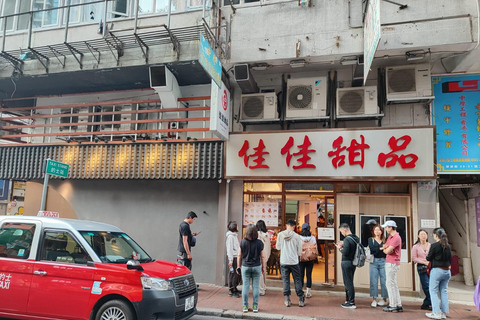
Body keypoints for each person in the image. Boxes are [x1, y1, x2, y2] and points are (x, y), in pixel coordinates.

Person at [276, 219, 305, 307]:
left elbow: (278, 247)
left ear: (286, 225)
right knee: (297, 279)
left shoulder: (280, 235)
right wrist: (298, 254)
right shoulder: (296, 236)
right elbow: (299, 250)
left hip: (284, 260)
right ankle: (300, 298)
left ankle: (287, 299)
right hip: (294, 261)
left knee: (286, 280)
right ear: (294, 226)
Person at [237, 224, 265, 313]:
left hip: (245, 266)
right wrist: (263, 266)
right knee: (255, 287)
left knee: (245, 286)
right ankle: (255, 306)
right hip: (256, 266)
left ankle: (245, 306)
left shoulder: (242, 242)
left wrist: (238, 266)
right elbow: (263, 257)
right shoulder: (259, 243)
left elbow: (239, 255)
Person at [425, 228, 452, 320]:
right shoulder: (447, 246)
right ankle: (443, 312)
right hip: (447, 271)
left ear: (435, 235)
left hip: (437, 270)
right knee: (443, 291)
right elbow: (450, 259)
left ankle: (436, 312)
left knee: (433, 291)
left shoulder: (434, 245)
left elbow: (428, 258)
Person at [336, 223, 360, 309]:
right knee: (349, 281)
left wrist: (339, 248)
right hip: (353, 262)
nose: (341, 233)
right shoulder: (355, 238)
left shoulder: (347, 239)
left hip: (346, 262)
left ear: (345, 229)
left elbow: (345, 252)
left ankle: (351, 301)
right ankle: (348, 299)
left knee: (348, 282)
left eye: (341, 231)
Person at [381, 220, 403, 313]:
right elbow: (385, 246)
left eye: (386, 227)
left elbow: (387, 250)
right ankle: (398, 304)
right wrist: (385, 248)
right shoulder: (390, 237)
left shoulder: (395, 237)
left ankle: (393, 305)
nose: (385, 229)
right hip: (391, 262)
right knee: (393, 284)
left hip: (392, 262)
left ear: (391, 227)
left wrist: (385, 249)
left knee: (390, 284)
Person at [368, 224, 388, 307]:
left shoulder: (385, 240)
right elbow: (372, 250)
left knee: (384, 281)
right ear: (373, 231)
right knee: (373, 280)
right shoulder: (371, 240)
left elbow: (387, 250)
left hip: (384, 261)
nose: (377, 231)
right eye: (375, 230)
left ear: (382, 231)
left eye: (379, 230)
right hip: (374, 261)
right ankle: (374, 299)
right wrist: (381, 248)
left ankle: (384, 299)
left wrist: (381, 248)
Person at [412, 229, 432, 310]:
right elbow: (414, 258)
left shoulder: (430, 245)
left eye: (425, 234)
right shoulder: (416, 246)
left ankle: (426, 303)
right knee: (426, 285)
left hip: (431, 267)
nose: (423, 236)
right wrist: (423, 262)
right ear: (418, 236)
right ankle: (432, 302)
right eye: (422, 234)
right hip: (422, 267)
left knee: (431, 286)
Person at [299, 223, 316, 299]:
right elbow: (315, 248)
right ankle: (308, 292)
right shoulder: (312, 238)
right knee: (309, 275)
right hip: (310, 258)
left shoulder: (299, 237)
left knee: (301, 275)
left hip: (301, 258)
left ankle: (301, 291)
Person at [226, 221, 241, 298]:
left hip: (236, 257)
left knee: (236, 274)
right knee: (233, 274)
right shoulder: (230, 237)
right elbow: (229, 249)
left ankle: (234, 288)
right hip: (233, 257)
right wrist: (230, 260)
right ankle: (231, 290)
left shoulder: (234, 236)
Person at [256, 220, 271, 296]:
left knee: (259, 273)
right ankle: (264, 286)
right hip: (265, 256)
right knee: (264, 271)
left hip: (258, 257)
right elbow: (269, 248)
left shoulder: (256, 236)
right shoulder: (267, 236)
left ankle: (261, 289)